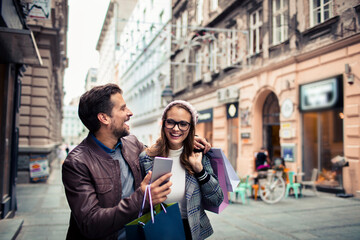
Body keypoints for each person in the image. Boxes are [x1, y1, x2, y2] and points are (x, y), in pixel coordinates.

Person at [62, 84, 210, 240]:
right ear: (104, 118)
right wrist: (143, 198)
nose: (130, 113)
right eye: (122, 108)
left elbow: (157, 150)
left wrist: (184, 140)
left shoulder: (132, 144)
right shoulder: (77, 163)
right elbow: (90, 224)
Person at [140, 100, 224, 240]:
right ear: (163, 123)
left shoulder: (199, 156)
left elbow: (217, 200)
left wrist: (200, 171)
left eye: (183, 124)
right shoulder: (147, 158)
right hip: (158, 228)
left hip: (191, 230)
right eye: (171, 122)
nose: (176, 129)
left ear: (191, 128)